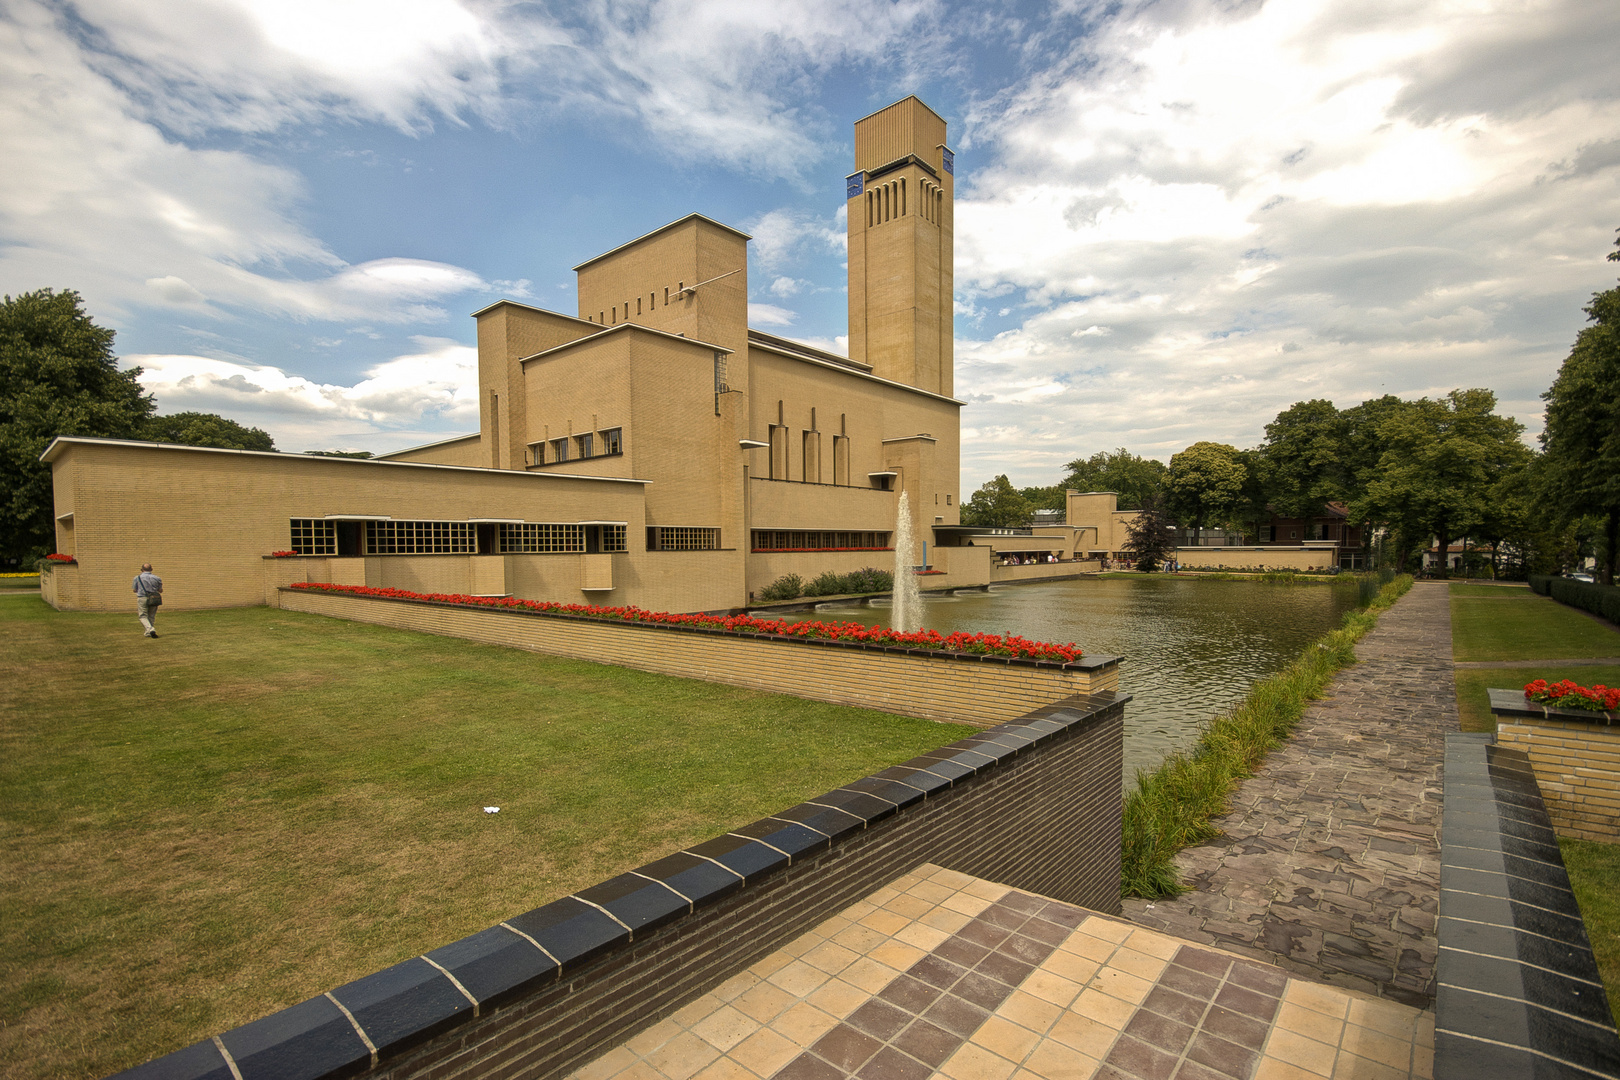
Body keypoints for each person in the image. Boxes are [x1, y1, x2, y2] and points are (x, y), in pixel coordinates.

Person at [133, 563, 163, 638]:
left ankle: (150, 629)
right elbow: (160, 590)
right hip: (154, 597)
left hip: (142, 597)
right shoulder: (157, 578)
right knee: (151, 615)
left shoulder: (137, 578)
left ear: (142, 569)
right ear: (151, 569)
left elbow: (134, 589)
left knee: (143, 615)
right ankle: (148, 632)